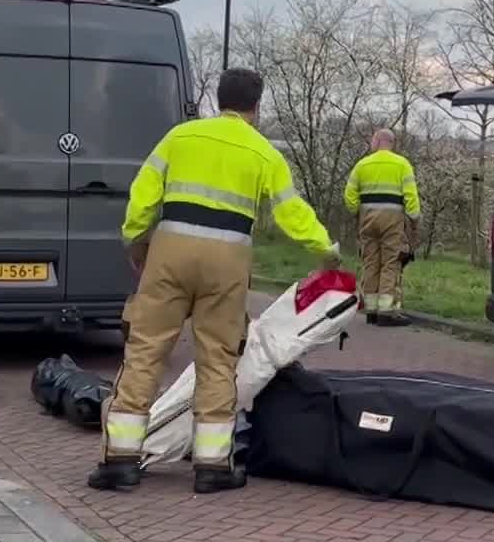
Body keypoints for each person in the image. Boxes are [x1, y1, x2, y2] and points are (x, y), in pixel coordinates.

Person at [89, 68, 341, 495]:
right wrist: (325, 250)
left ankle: (120, 462)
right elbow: (291, 212)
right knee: (218, 358)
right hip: (227, 262)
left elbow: (143, 193)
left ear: (218, 99)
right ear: (255, 108)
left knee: (146, 349)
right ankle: (212, 467)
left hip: (170, 251)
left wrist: (136, 241)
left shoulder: (179, 137)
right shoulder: (263, 153)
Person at [343, 129, 421, 326]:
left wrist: (357, 212)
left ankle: (370, 310)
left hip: (367, 218)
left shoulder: (362, 165)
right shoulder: (402, 164)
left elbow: (349, 195)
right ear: (391, 143)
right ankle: (385, 312)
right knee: (390, 263)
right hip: (392, 219)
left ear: (376, 141)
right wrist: (414, 218)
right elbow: (411, 195)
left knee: (370, 262)